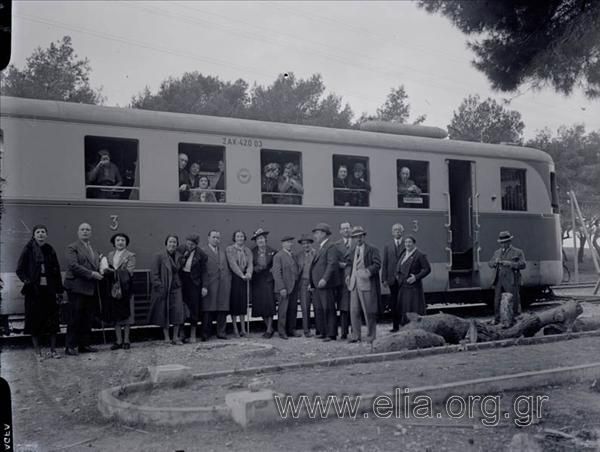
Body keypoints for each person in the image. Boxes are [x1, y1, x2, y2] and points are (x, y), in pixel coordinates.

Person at [16, 225, 64, 360]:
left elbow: (56, 271)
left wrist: (59, 290)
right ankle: (38, 352)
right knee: (35, 321)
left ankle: (53, 350)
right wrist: (27, 281)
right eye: (38, 232)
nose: (41, 234)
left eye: (43, 232)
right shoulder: (28, 249)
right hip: (34, 292)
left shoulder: (50, 249)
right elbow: (19, 270)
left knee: (52, 322)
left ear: (46, 235)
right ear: (34, 235)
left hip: (49, 291)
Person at [63, 223, 103, 356]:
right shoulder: (72, 247)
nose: (85, 232)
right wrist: (92, 274)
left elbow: (96, 265)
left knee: (87, 317)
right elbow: (73, 265)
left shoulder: (93, 248)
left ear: (91, 233)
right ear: (78, 232)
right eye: (82, 229)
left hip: (90, 288)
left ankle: (84, 345)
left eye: (88, 230)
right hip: (77, 287)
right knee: (75, 317)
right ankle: (70, 346)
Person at [345, 226, 381, 344]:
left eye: (360, 236)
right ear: (353, 238)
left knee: (368, 311)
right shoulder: (352, 250)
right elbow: (349, 264)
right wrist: (348, 275)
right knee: (354, 311)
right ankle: (356, 335)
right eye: (355, 237)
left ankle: (371, 335)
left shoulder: (372, 249)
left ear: (364, 237)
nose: (358, 239)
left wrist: (368, 272)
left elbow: (377, 264)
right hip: (354, 284)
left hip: (367, 284)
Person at [148, 234, 185, 345]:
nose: (172, 244)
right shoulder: (159, 256)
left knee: (177, 312)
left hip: (176, 288)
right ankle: (166, 337)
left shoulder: (179, 256)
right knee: (164, 312)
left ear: (177, 244)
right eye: (170, 242)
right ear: (166, 243)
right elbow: (154, 275)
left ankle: (175, 337)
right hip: (164, 288)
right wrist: (160, 287)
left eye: (174, 242)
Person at [102, 233, 136, 350]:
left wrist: (114, 272)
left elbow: (129, 272)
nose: (120, 242)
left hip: (126, 288)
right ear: (114, 243)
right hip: (113, 288)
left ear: (126, 242)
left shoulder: (131, 255)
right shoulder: (110, 255)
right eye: (118, 240)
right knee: (115, 315)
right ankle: (118, 340)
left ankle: (127, 340)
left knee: (126, 315)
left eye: (122, 240)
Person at [310, 223, 341, 341]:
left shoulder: (330, 246)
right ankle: (323, 331)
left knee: (328, 308)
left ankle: (331, 333)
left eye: (316, 233)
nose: (315, 236)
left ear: (323, 234)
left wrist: (324, 279)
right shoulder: (321, 247)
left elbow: (332, 264)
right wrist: (312, 282)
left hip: (325, 284)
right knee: (319, 308)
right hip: (318, 285)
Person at [488, 231, 527, 323]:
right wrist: (495, 263)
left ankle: (515, 318)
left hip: (511, 279)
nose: (503, 244)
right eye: (501, 242)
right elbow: (490, 263)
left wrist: (510, 264)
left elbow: (523, 265)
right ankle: (497, 319)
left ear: (509, 242)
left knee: (514, 299)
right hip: (498, 279)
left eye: (505, 242)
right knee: (497, 300)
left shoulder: (518, 252)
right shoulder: (496, 252)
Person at [201, 230, 232, 340]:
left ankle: (221, 332)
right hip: (210, 284)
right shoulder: (203, 251)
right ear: (208, 238)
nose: (216, 240)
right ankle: (206, 333)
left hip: (223, 284)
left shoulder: (223, 251)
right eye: (214, 237)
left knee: (222, 309)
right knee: (208, 309)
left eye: (218, 238)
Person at [395, 236, 431, 325]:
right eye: (406, 242)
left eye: (409, 242)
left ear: (414, 243)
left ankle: (415, 328)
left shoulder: (419, 255)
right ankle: (405, 327)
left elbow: (427, 269)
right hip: (403, 287)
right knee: (404, 309)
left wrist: (416, 277)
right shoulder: (404, 253)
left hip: (414, 288)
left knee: (413, 309)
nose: (407, 244)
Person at [179, 234, 207, 343]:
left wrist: (204, 286)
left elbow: (204, 271)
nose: (189, 246)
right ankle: (181, 333)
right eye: (188, 243)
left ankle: (193, 334)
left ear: (196, 245)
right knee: (181, 306)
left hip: (194, 282)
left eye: (192, 244)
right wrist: (184, 256)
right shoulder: (180, 249)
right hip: (182, 281)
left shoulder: (201, 254)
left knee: (194, 307)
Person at [226, 231, 253, 337]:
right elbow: (232, 264)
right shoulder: (230, 249)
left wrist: (249, 273)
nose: (240, 238)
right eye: (238, 236)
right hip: (234, 278)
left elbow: (250, 263)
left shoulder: (247, 250)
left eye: (242, 236)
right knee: (234, 304)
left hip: (244, 279)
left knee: (243, 304)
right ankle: (235, 329)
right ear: (234, 238)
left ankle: (243, 329)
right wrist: (241, 275)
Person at [250, 228, 277, 338]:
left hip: (268, 281)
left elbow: (276, 266)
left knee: (269, 305)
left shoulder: (272, 251)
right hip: (257, 281)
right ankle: (269, 327)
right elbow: (249, 266)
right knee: (260, 306)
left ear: (265, 240)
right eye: (258, 239)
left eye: (262, 238)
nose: (261, 241)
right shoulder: (252, 252)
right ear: (256, 241)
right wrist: (255, 268)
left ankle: (269, 329)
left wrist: (272, 270)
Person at [272, 236, 300, 339]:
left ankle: (291, 329)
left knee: (293, 309)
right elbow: (276, 273)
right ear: (282, 244)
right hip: (284, 288)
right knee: (283, 311)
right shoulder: (278, 256)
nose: (290, 244)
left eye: (290, 242)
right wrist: (281, 288)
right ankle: (282, 331)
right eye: (287, 242)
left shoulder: (293, 255)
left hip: (293, 286)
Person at [382, 223, 405, 332]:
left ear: (402, 232)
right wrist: (384, 278)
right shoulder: (388, 245)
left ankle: (405, 324)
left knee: (404, 302)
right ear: (392, 232)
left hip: (403, 279)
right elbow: (385, 263)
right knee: (394, 303)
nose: (397, 232)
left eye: (399, 230)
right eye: (395, 230)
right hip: (392, 279)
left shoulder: (407, 244)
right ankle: (395, 326)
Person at [333, 222, 353, 339]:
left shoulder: (356, 243)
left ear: (350, 230)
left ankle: (355, 331)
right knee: (343, 307)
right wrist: (341, 264)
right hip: (342, 280)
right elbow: (333, 261)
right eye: (343, 229)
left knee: (354, 307)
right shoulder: (336, 245)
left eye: (347, 228)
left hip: (354, 278)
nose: (346, 230)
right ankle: (344, 332)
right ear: (340, 231)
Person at [295, 234, 316, 337]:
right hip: (303, 283)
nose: (306, 245)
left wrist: (314, 283)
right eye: (303, 244)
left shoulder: (316, 253)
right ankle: (306, 331)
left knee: (318, 307)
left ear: (311, 243)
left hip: (315, 283)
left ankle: (320, 330)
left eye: (307, 243)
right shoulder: (298, 256)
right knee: (305, 307)